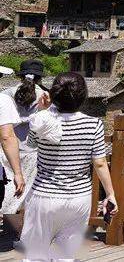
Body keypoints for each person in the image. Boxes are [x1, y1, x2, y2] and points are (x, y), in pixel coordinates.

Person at [20, 72, 117, 261]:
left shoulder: (42, 121)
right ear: (83, 96)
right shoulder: (94, 124)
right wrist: (110, 194)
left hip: (44, 196)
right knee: (65, 255)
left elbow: (30, 146)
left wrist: (42, 110)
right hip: (78, 198)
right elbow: (99, 162)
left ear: (54, 94)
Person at [0, 60, 48, 240]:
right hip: (31, 148)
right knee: (26, 191)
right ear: (40, 77)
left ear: (20, 75)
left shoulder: (6, 94)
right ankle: (21, 232)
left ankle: (7, 225)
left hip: (6, 150)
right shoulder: (44, 95)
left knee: (7, 188)